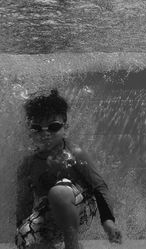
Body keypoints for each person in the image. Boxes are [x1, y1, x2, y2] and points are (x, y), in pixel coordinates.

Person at [15, 89, 122, 249]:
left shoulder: (75, 154)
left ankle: (72, 246)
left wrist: (108, 222)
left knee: (58, 192)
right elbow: (24, 203)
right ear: (30, 130)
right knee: (23, 238)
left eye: (53, 127)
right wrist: (22, 230)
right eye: (37, 128)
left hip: (82, 211)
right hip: (51, 216)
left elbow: (100, 187)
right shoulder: (28, 164)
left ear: (66, 127)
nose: (45, 134)